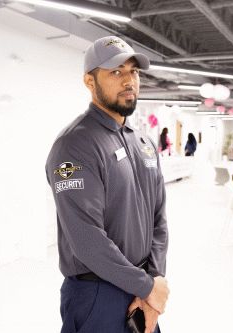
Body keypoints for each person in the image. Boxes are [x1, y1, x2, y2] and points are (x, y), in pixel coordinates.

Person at [45, 36, 169, 333]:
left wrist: (154, 280)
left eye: (134, 71)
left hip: (142, 287)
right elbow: (87, 240)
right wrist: (147, 286)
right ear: (90, 81)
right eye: (116, 72)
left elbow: (159, 220)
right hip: (97, 295)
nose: (129, 80)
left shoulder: (144, 143)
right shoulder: (75, 145)